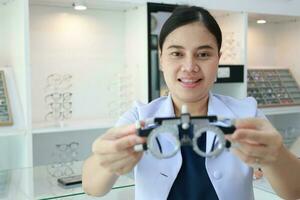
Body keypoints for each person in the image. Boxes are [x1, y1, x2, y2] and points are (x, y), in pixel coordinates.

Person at [82, 5, 300, 200]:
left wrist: (276, 155)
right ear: (161, 59)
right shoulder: (140, 117)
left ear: (218, 59)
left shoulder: (246, 113)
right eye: (177, 53)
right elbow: (92, 187)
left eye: (203, 54)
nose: (189, 66)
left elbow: (295, 192)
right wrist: (107, 159)